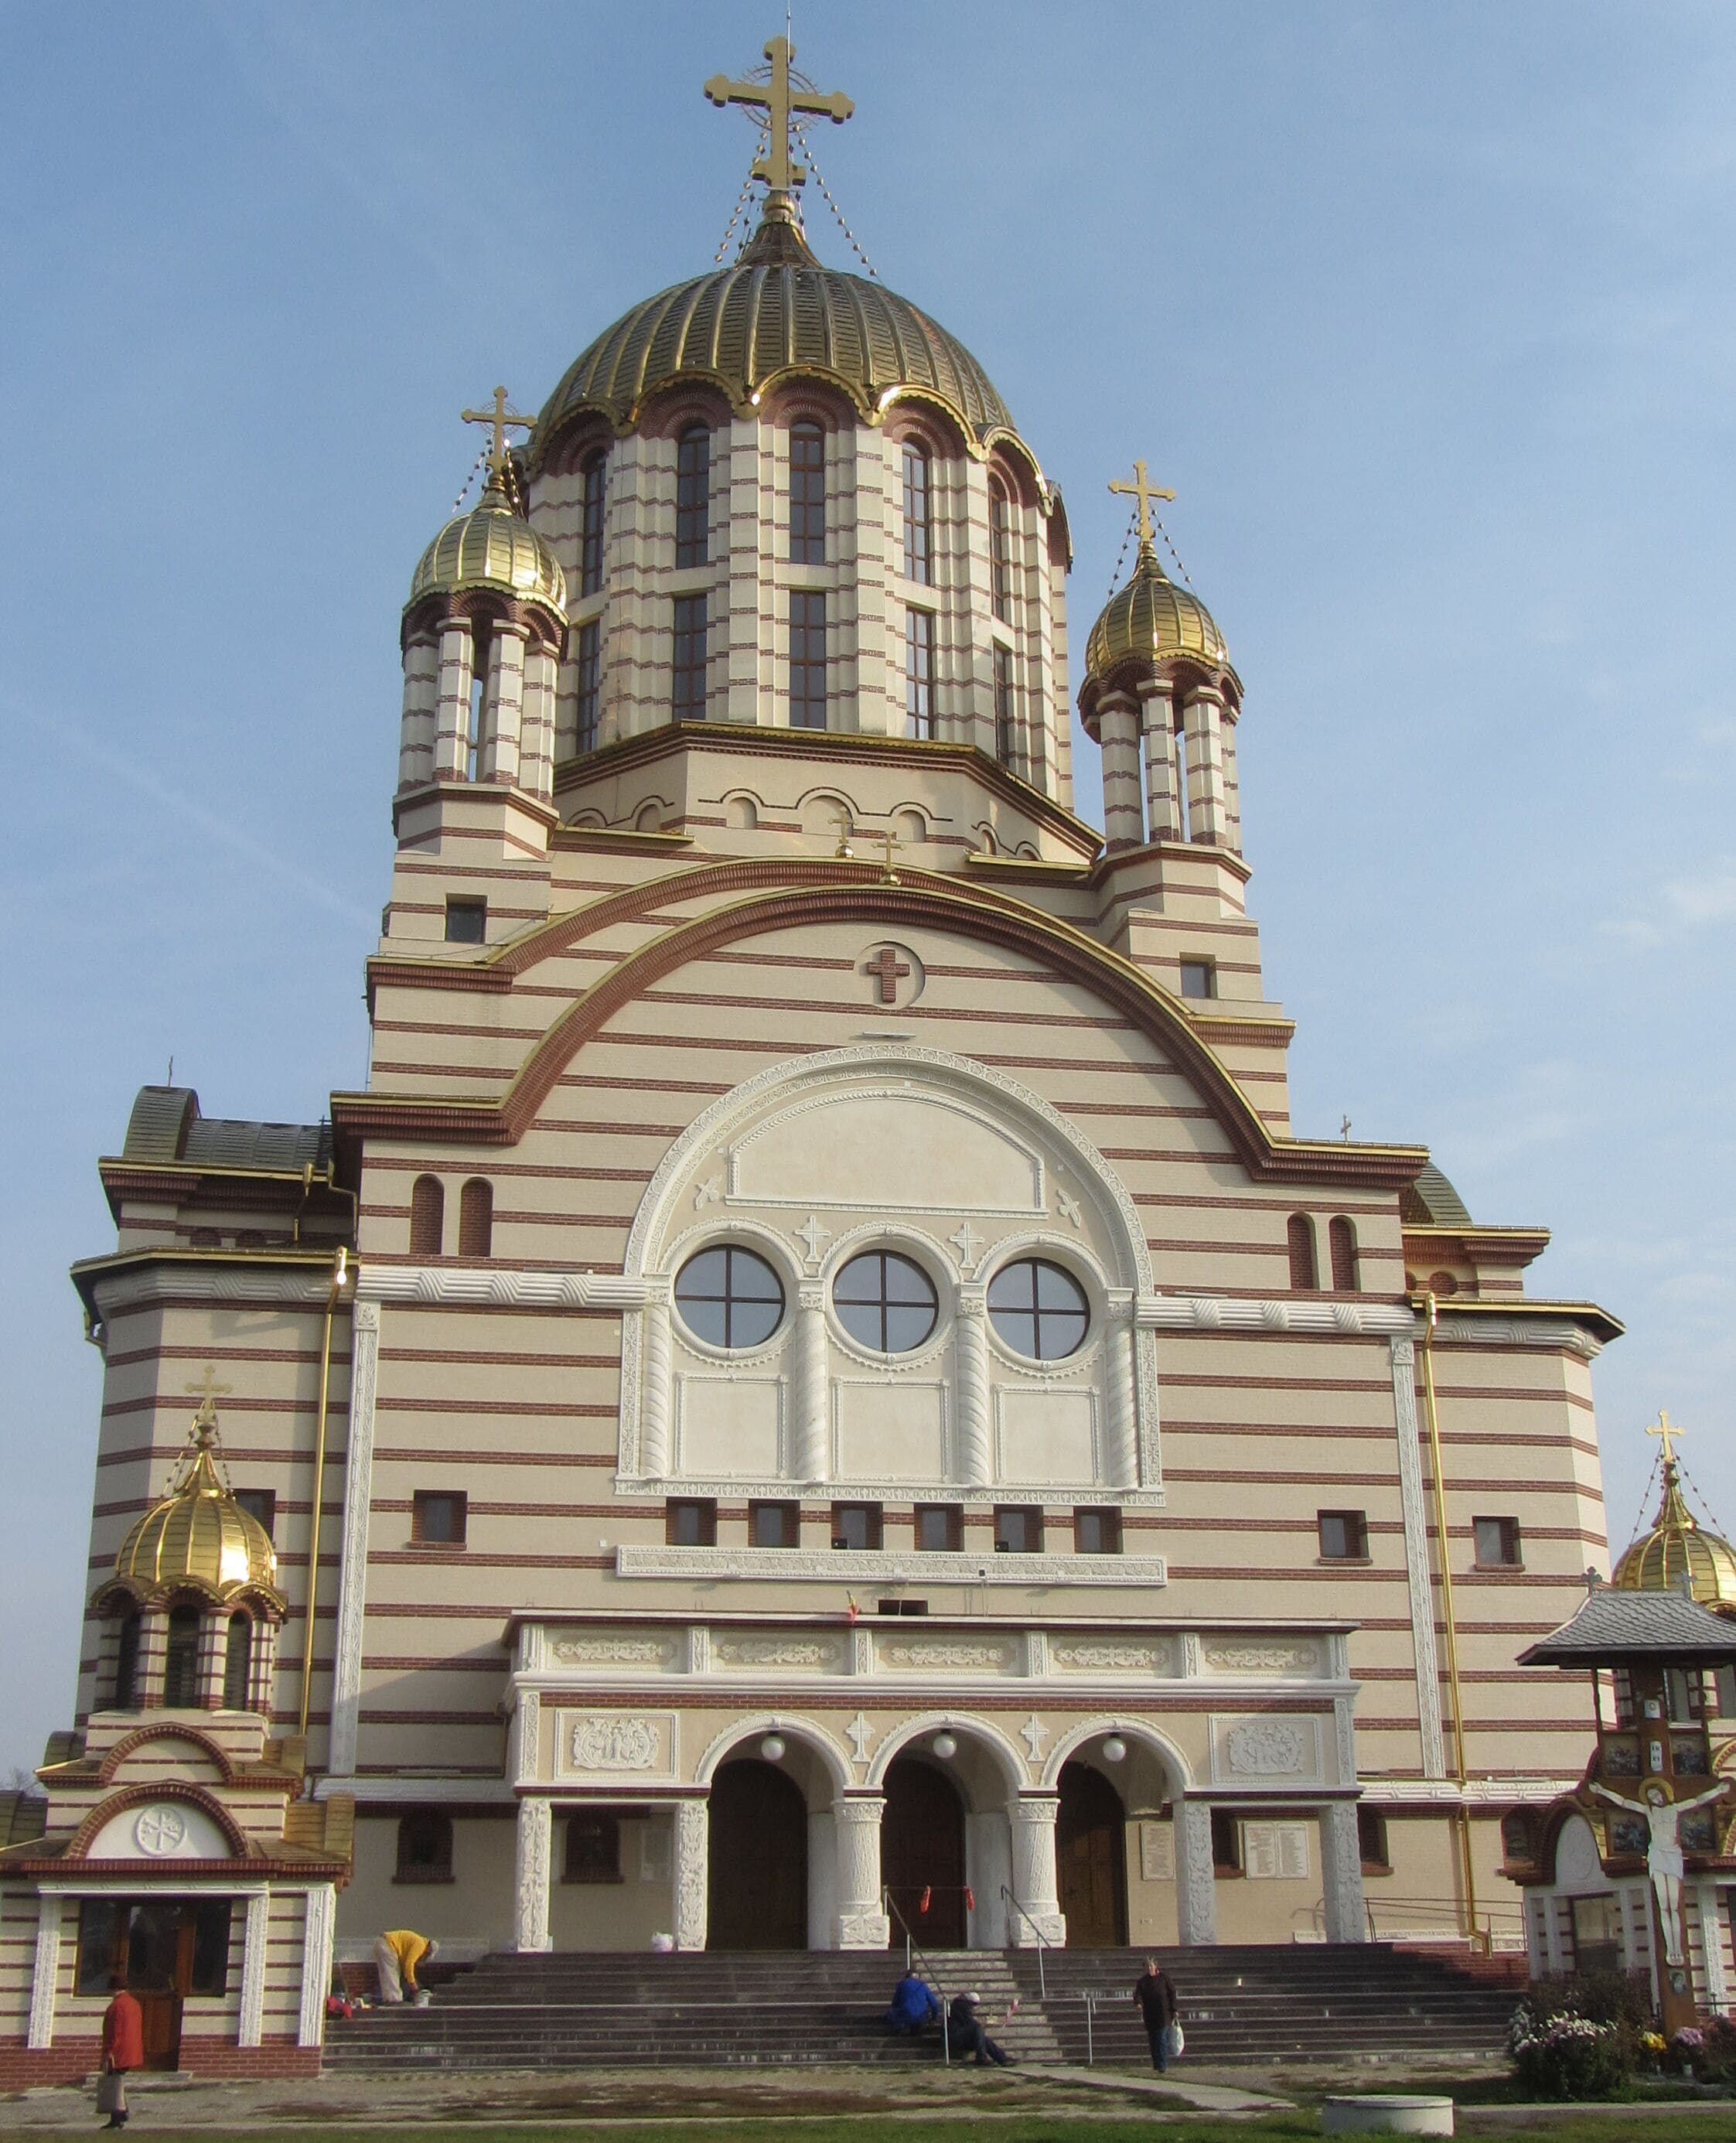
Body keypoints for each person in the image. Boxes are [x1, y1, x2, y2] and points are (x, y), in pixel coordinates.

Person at [98, 1975, 143, 2130]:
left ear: (113, 1989)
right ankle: (122, 2112)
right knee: (119, 2082)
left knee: (114, 2083)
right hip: (131, 2049)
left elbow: (115, 2032)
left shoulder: (117, 2006)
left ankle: (118, 2116)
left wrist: (109, 2051)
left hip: (119, 2052)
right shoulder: (133, 2003)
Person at [1132, 1955, 1179, 2073]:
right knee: (1153, 2040)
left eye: (1151, 1966)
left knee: (1161, 2039)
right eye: (1147, 1966)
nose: (1149, 1968)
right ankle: (1157, 2063)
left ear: (1155, 1966)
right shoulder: (1142, 1982)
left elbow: (1172, 1993)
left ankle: (1162, 2065)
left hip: (1164, 2014)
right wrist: (1138, 2004)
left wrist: (1175, 2009)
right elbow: (1138, 1995)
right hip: (1150, 2015)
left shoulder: (1164, 1978)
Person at [373, 1929, 439, 2005]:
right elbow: (409, 1964)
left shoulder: (418, 1942)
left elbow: (406, 1964)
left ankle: (388, 1999)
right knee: (393, 1974)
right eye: (428, 1954)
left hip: (382, 1942)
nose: (426, 1956)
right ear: (429, 1949)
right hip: (389, 1945)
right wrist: (412, 1983)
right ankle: (394, 2001)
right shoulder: (421, 1945)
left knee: (386, 1975)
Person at [946, 1989, 1011, 2066]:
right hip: (955, 2037)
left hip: (960, 2035)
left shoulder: (960, 2005)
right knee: (978, 2029)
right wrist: (983, 2024)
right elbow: (971, 2023)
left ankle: (1002, 2058)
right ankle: (983, 2058)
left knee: (984, 2038)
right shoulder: (960, 2006)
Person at [884, 1967, 942, 2036]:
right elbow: (934, 2004)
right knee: (921, 2015)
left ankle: (900, 2027)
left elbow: (895, 2004)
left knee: (890, 2013)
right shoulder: (922, 1985)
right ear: (918, 1977)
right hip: (921, 2017)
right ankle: (916, 2029)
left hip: (904, 2016)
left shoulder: (902, 1984)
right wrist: (934, 2018)